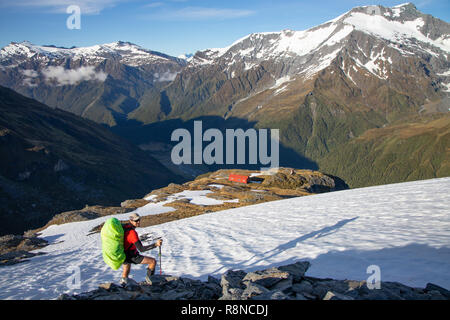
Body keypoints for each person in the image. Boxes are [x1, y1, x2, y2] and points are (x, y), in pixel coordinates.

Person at [120, 213, 163, 285]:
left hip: (123, 254)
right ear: (131, 221)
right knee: (152, 261)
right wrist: (156, 244)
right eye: (136, 221)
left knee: (126, 268)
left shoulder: (125, 228)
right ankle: (149, 281)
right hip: (132, 255)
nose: (138, 222)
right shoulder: (132, 233)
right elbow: (141, 249)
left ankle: (124, 284)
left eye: (139, 220)